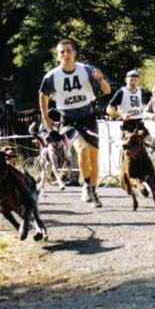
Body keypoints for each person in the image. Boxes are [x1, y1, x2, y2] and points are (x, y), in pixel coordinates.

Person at [39, 39, 111, 207]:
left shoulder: (87, 70)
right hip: (69, 120)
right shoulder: (52, 75)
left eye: (68, 51)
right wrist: (45, 115)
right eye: (62, 52)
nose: (65, 55)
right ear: (57, 56)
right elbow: (43, 94)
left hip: (88, 116)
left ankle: (92, 189)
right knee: (82, 149)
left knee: (94, 155)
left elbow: (107, 90)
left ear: (74, 53)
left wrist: (101, 81)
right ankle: (85, 185)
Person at [106, 70, 155, 177]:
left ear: (139, 81)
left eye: (135, 80)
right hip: (127, 125)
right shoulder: (122, 92)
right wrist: (121, 115)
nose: (133, 82)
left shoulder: (140, 91)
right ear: (126, 80)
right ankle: (126, 174)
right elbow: (109, 109)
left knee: (153, 146)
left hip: (139, 123)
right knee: (128, 150)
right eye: (131, 80)